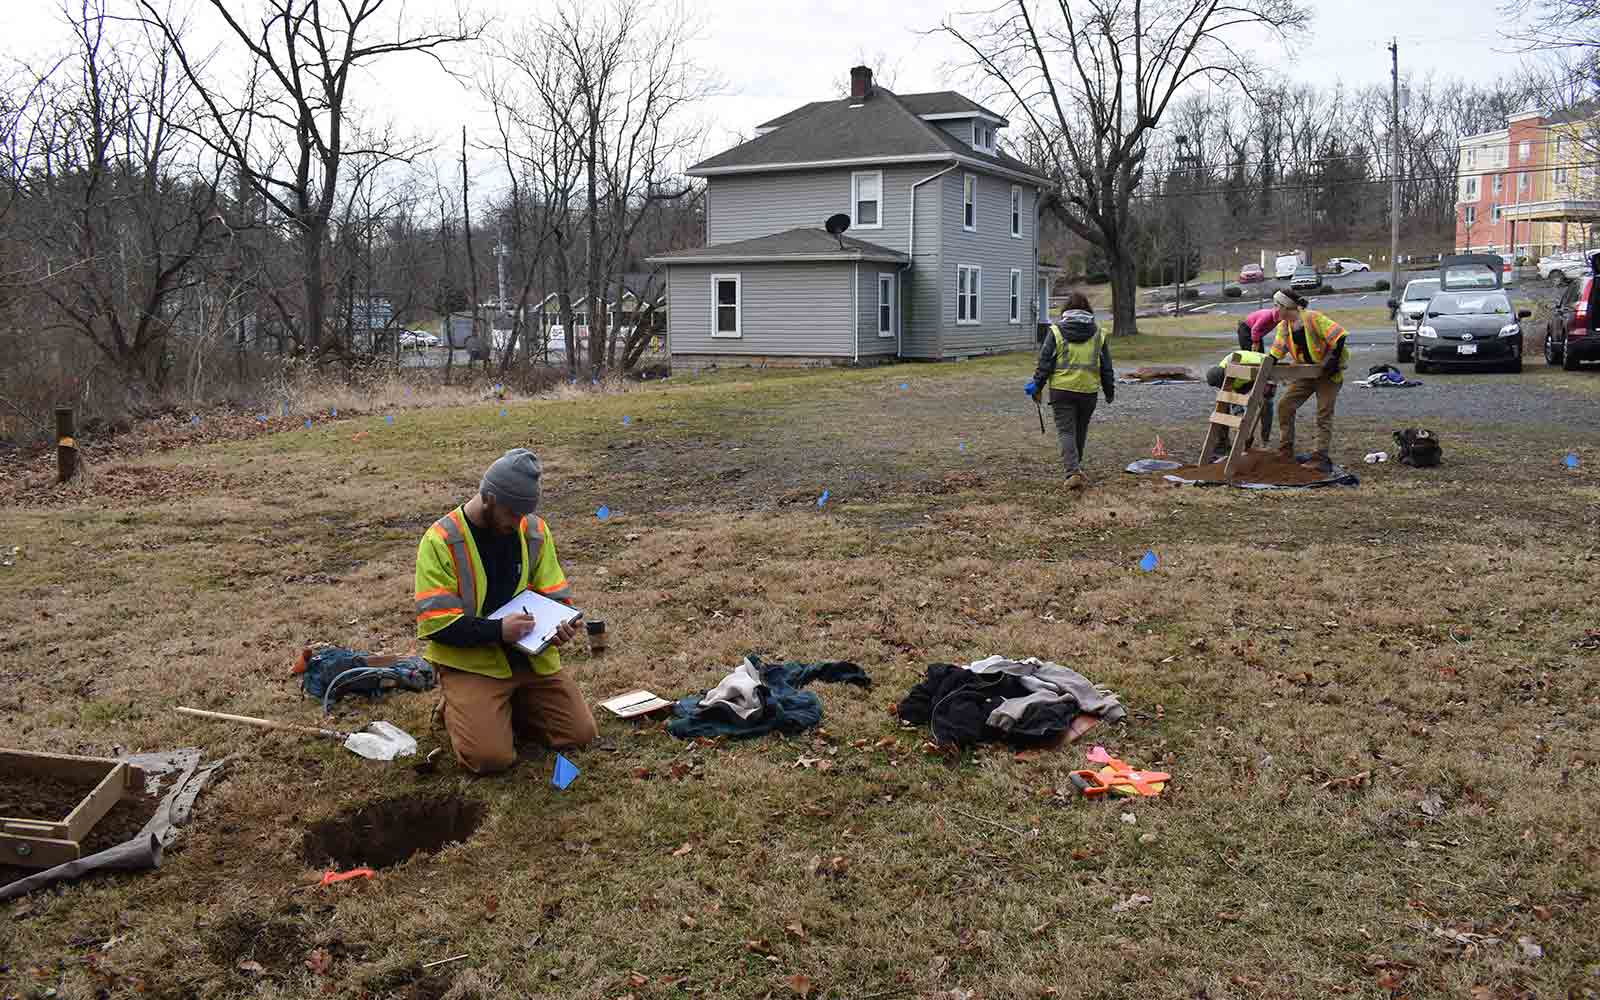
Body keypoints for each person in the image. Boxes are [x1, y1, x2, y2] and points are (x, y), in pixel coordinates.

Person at [414, 448, 596, 774]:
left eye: (525, 514)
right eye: (512, 514)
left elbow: (556, 595)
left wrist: (562, 624)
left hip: (530, 657)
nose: (518, 522)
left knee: (580, 734)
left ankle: (507, 708)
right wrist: (498, 631)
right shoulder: (441, 540)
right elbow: (436, 625)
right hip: (473, 663)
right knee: (490, 760)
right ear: (488, 498)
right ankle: (462, 706)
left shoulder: (533, 530)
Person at [1026, 293, 1114, 489]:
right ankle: (1076, 468)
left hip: (1062, 391)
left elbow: (1045, 363)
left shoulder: (1056, 331)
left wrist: (1037, 386)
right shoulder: (1099, 334)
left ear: (1066, 311)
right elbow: (1106, 367)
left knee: (1066, 431)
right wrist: (1109, 391)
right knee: (1080, 431)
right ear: (1088, 311)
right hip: (1088, 392)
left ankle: (1072, 471)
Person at [1266, 290, 1350, 470]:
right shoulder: (1284, 327)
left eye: (1276, 305)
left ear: (1285, 306)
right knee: (1285, 406)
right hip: (1306, 374)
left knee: (1323, 414)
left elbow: (1339, 335)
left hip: (1328, 375)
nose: (1274, 309)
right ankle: (1285, 449)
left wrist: (1332, 360)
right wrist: (1265, 367)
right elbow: (1276, 353)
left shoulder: (1312, 318)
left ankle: (1320, 456)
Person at [1204, 347, 1275, 459]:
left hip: (1262, 370)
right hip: (1241, 382)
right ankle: (1223, 444)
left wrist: (1270, 383)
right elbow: (1234, 400)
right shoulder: (1221, 370)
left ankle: (1264, 441)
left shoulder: (1246, 363)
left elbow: (1271, 366)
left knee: (1267, 404)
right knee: (1223, 405)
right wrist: (1240, 421)